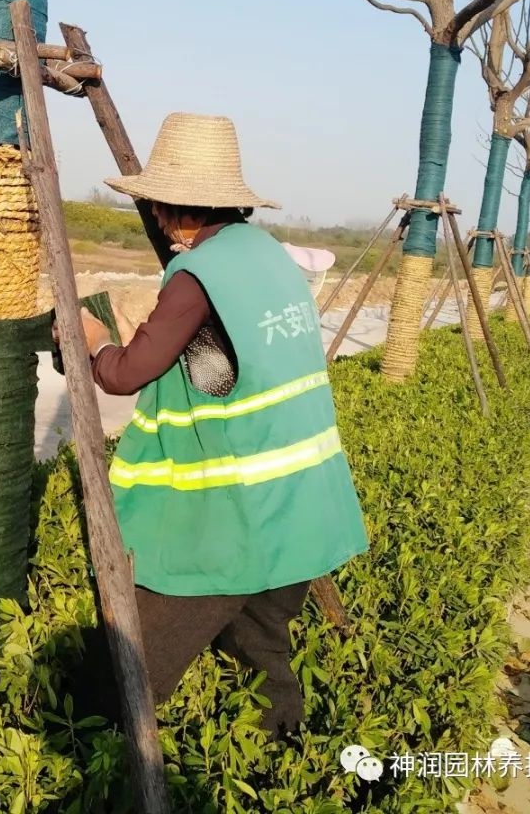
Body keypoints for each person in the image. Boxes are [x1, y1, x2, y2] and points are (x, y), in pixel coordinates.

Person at [73, 113, 368, 739]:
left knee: (133, 663)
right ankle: (287, 755)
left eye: (154, 207)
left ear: (173, 207)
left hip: (229, 515)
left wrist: (95, 341)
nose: (153, 218)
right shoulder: (267, 254)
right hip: (299, 500)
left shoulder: (196, 276)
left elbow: (127, 374)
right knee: (262, 638)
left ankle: (89, 754)